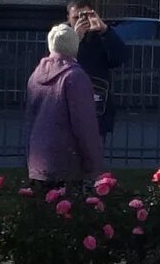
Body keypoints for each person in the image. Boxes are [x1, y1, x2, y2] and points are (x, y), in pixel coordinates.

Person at [24, 19, 105, 188]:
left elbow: (30, 119)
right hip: (68, 161)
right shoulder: (75, 77)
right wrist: (94, 165)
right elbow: (84, 124)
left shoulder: (35, 76)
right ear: (74, 46)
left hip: (38, 161)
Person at [69, 0, 127, 142]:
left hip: (97, 105)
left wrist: (105, 30)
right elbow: (59, 62)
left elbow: (119, 58)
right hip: (70, 105)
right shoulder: (63, 37)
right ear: (68, 18)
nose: (81, 21)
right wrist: (75, 39)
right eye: (77, 17)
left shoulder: (101, 37)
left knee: (94, 155)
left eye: (86, 16)